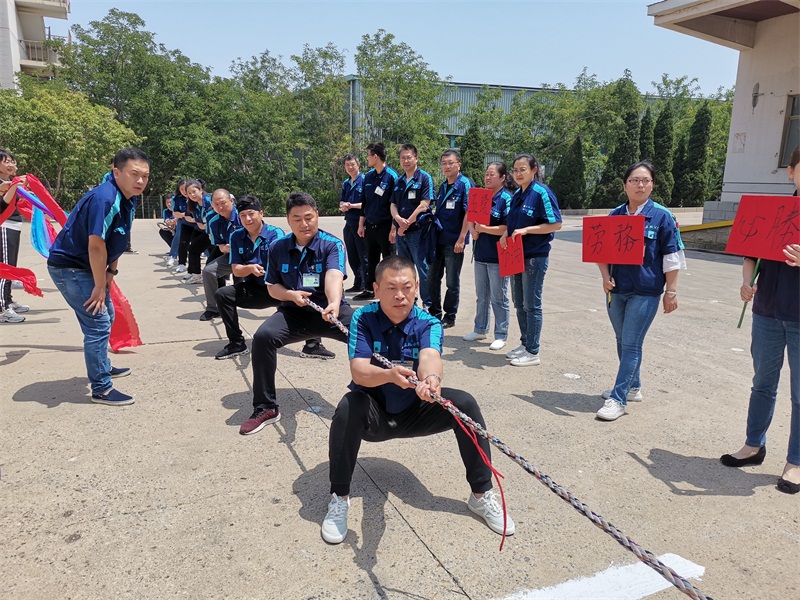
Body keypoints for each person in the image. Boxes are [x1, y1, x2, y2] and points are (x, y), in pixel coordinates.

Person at [321, 255, 515, 544]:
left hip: (415, 409)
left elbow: (430, 357)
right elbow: (359, 371)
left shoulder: (429, 322)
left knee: (465, 404)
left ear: (417, 287)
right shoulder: (363, 318)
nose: (400, 295)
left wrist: (431, 380)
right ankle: (339, 497)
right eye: (391, 288)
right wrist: (389, 375)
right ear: (376, 289)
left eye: (407, 287)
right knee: (348, 406)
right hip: (375, 412)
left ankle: (481, 494)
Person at [720, 146, 800, 494]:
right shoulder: (771, 211)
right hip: (767, 309)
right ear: (791, 171)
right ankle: (754, 445)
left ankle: (795, 461)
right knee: (763, 382)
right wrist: (746, 282)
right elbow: (750, 253)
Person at [240, 192, 351, 435]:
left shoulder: (332, 244)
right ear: (288, 220)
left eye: (309, 217)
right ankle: (265, 407)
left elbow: (334, 275)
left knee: (366, 334)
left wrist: (333, 303)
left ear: (317, 215)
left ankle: (374, 397)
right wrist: (290, 295)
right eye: (297, 219)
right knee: (263, 337)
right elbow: (272, 287)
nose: (304, 224)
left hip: (331, 312)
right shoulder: (277, 247)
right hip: (294, 313)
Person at [46, 147, 150, 406]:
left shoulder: (129, 198)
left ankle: (102, 365)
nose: (140, 181)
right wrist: (99, 286)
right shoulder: (105, 198)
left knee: (108, 315)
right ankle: (102, 389)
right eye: (134, 174)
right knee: (97, 324)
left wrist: (110, 274)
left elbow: (118, 239)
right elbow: (96, 245)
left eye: (145, 176)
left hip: (88, 267)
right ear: (117, 172)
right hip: (71, 268)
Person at [594, 160, 685, 420]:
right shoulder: (615, 215)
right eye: (634, 180)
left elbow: (672, 256)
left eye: (645, 180)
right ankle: (633, 387)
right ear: (625, 185)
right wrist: (605, 277)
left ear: (653, 185)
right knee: (621, 340)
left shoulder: (662, 216)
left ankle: (618, 398)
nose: (640, 185)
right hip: (617, 289)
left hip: (645, 291)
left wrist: (671, 292)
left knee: (632, 343)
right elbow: (600, 250)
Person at [214, 195, 331, 362]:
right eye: (243, 215)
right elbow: (236, 270)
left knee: (307, 289)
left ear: (261, 213)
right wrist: (250, 268)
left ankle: (313, 344)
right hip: (256, 289)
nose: (248, 219)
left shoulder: (276, 234)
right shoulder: (236, 236)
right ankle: (236, 343)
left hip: (280, 288)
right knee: (222, 295)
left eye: (251, 214)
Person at [500, 154, 562, 366]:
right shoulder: (518, 194)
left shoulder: (541, 193)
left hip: (535, 256)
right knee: (519, 303)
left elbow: (556, 224)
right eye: (515, 170)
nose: (518, 174)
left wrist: (527, 230)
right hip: (516, 255)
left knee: (531, 304)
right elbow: (513, 223)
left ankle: (533, 351)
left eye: (523, 169)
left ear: (534, 170)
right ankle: (525, 343)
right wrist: (506, 234)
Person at [464, 162, 516, 350]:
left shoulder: (506, 199)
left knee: (498, 297)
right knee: (482, 296)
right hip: (481, 254)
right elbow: (471, 217)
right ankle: (480, 329)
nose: (487, 177)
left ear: (502, 178)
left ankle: (501, 334)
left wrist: (485, 229)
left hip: (498, 256)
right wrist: (472, 230)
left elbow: (508, 227)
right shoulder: (481, 196)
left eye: (492, 174)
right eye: (486, 174)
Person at [428, 150, 474, 328]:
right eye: (444, 163)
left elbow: (469, 213)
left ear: (459, 164)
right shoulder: (443, 185)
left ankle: (450, 316)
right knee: (432, 278)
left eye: (450, 163)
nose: (446, 166)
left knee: (452, 281)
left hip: (454, 241)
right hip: (438, 239)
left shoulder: (464, 184)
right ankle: (434, 312)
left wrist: (462, 238)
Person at [390, 143, 435, 308]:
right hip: (402, 233)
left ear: (416, 158)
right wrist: (397, 219)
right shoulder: (399, 180)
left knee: (423, 270)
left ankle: (428, 304)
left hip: (418, 232)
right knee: (404, 270)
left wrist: (406, 223)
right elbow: (393, 204)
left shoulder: (424, 178)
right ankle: (410, 302)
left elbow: (424, 204)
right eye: (403, 158)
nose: (406, 161)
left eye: (409, 157)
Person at [354, 142, 397, 301]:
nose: (367, 158)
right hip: (370, 226)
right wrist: (361, 224)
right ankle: (369, 289)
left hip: (386, 226)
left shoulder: (392, 176)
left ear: (376, 157)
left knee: (388, 261)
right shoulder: (369, 177)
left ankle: (390, 289)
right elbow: (365, 202)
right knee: (371, 260)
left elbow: (396, 204)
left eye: (368, 155)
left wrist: (393, 228)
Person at [199, 189, 240, 321]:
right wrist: (223, 247)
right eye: (216, 204)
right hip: (231, 255)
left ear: (231, 201)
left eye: (223, 203)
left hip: (252, 255)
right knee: (208, 271)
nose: (220, 207)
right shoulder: (213, 221)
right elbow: (218, 244)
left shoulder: (243, 216)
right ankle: (213, 308)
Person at [0, 150, 29, 323]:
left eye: (12, 161)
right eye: (6, 162)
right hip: (4, 226)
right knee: (5, 268)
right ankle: (4, 308)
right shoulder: (3, 184)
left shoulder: (9, 183)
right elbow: (2, 205)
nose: (11, 165)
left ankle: (8, 300)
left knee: (10, 266)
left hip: (13, 225)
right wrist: (14, 186)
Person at [339, 153, 368, 294]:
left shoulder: (365, 181)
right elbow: (342, 201)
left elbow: (367, 203)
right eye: (347, 165)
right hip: (349, 223)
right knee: (352, 254)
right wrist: (343, 206)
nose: (350, 167)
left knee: (363, 254)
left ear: (358, 165)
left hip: (361, 222)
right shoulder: (346, 183)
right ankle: (358, 282)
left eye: (352, 164)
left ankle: (367, 284)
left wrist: (351, 206)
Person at [182, 180, 212, 285]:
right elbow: (198, 221)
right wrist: (202, 224)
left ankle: (225, 279)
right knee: (193, 249)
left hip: (216, 232)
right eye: (189, 193)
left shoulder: (209, 201)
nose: (192, 195)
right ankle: (197, 275)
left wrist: (206, 225)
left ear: (201, 190)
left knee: (215, 256)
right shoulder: (192, 204)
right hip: (205, 232)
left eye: (194, 191)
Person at [170, 180, 189, 271]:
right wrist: (184, 215)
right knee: (179, 237)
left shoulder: (195, 197)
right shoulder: (177, 199)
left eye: (185, 189)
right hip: (183, 221)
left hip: (197, 222)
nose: (184, 191)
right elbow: (175, 213)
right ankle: (174, 257)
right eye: (181, 189)